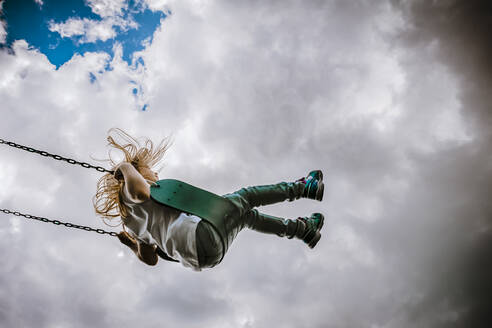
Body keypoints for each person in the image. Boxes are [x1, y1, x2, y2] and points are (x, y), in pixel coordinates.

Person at [93, 128, 325, 271]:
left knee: (246, 217)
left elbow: (150, 259)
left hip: (205, 256)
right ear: (137, 174)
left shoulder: (134, 226)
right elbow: (140, 192)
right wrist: (124, 167)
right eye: (151, 171)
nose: (156, 176)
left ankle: (302, 230)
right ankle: (303, 188)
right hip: (199, 234)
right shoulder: (131, 193)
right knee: (246, 197)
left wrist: (132, 244)